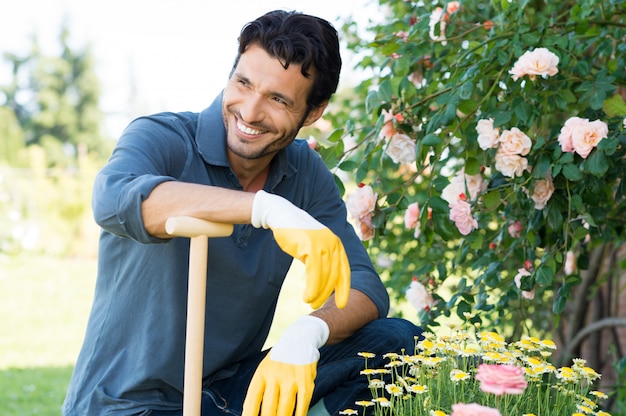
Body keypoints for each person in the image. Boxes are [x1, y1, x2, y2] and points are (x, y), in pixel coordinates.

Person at [62, 9, 423, 416]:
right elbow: (113, 200)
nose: (250, 112)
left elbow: (366, 287)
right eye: (244, 83)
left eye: (278, 100)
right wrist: (263, 208)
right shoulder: (163, 138)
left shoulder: (304, 173)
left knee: (395, 340)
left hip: (227, 393)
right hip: (126, 403)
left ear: (314, 112)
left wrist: (308, 332)